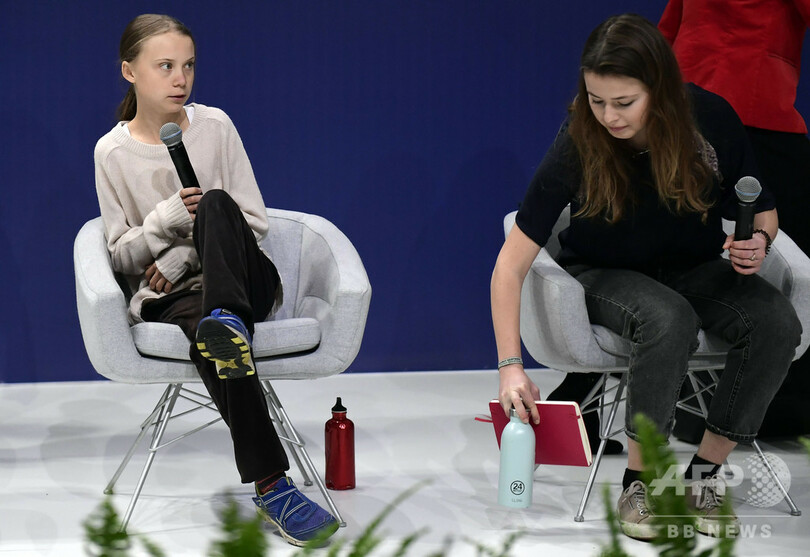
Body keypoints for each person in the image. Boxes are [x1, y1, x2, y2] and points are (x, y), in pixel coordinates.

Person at [490, 14, 801, 541]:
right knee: (667, 317)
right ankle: (643, 483)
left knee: (776, 322)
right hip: (603, 274)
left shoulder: (711, 119)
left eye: (624, 102)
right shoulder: (579, 137)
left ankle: (704, 475)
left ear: (660, 88)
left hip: (692, 268)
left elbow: (763, 211)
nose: (608, 116)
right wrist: (509, 368)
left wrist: (759, 242)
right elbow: (510, 264)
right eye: (596, 100)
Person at [93, 14, 338, 546]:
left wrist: (185, 252)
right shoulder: (111, 153)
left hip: (243, 280)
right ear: (130, 71)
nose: (180, 79)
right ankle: (273, 486)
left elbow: (254, 222)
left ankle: (226, 318)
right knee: (219, 343)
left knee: (217, 203)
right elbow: (121, 256)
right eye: (165, 66)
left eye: (188, 66)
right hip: (178, 300)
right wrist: (163, 222)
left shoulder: (216, 126)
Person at [659, 0, 810, 438]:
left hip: (683, 105)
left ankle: (675, 410)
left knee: (668, 248)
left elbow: (667, 31)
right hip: (758, 107)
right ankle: (773, 407)